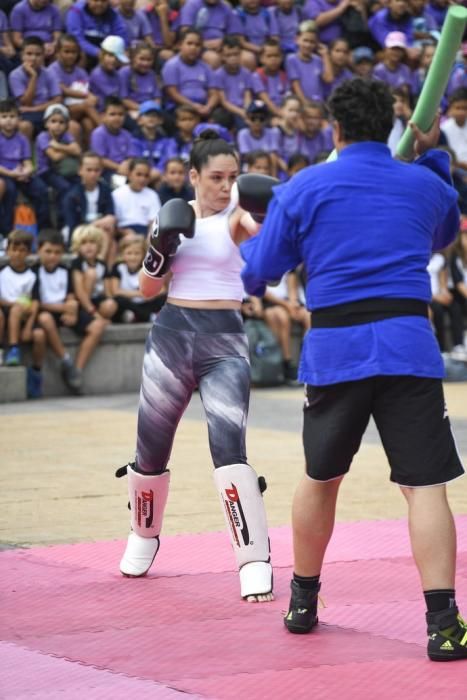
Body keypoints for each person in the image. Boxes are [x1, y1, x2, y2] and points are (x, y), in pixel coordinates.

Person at [239, 78, 467, 660]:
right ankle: (443, 624)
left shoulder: (303, 188)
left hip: (336, 349)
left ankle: (302, 600)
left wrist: (242, 236)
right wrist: (432, 158)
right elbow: (444, 236)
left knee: (321, 476)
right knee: (424, 487)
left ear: (334, 129)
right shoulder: (422, 183)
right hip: (407, 346)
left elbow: (257, 273)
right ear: (388, 125)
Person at [118, 130, 274, 602]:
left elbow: (263, 232)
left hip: (223, 340)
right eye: (215, 178)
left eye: (232, 177)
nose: (225, 187)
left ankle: (253, 558)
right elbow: (146, 289)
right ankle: (144, 534)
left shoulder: (238, 217)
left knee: (229, 446)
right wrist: (161, 247)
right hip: (171, 335)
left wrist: (265, 209)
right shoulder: (170, 217)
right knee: (151, 448)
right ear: (193, 176)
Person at [34, 228, 108, 395]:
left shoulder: (65, 270)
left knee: (98, 325)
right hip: (48, 310)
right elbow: (37, 303)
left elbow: (70, 294)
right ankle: (65, 360)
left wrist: (72, 309)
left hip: (66, 309)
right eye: (48, 251)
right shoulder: (35, 272)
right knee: (45, 319)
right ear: (38, 250)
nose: (52, 256)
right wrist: (66, 308)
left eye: (57, 252)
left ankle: (76, 369)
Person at [0, 229, 46, 398]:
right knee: (13, 310)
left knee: (40, 335)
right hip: (6, 314)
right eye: (14, 249)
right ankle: (11, 349)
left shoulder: (32, 275)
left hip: (24, 316)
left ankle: (36, 373)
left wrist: (28, 326)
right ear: (7, 250)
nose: (18, 254)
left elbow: (35, 302)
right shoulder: (2, 272)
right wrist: (14, 305)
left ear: (28, 252)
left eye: (22, 250)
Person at [0, 98, 49, 236]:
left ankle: (43, 229)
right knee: (9, 191)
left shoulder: (22, 138)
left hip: (20, 173)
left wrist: (27, 171)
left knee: (41, 189)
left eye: (12, 116)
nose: (8, 120)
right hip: (5, 174)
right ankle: (6, 232)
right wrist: (11, 174)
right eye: (4, 117)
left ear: (18, 119)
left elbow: (27, 161)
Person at [62, 151, 116, 256]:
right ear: (80, 170)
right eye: (89, 170)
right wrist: (94, 225)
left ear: (101, 171)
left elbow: (111, 216)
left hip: (99, 230)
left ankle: (104, 268)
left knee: (112, 242)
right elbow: (72, 224)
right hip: (79, 230)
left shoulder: (105, 190)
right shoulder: (72, 195)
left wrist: (99, 223)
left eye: (96, 170)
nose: (93, 174)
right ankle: (98, 264)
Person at [110, 235, 166, 322]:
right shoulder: (118, 267)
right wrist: (139, 294)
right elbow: (116, 291)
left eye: (137, 253)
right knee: (118, 300)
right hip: (129, 303)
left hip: (145, 302)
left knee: (164, 297)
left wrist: (150, 295)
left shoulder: (148, 268)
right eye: (129, 253)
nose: (133, 257)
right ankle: (148, 317)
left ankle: (137, 316)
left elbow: (162, 289)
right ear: (122, 254)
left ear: (143, 254)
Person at [112, 157, 161, 237]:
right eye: (139, 174)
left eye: (146, 176)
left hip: (145, 232)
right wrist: (124, 232)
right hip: (124, 233)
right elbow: (114, 223)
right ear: (129, 174)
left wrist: (150, 237)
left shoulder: (153, 195)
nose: (142, 179)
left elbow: (154, 222)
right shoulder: (116, 194)